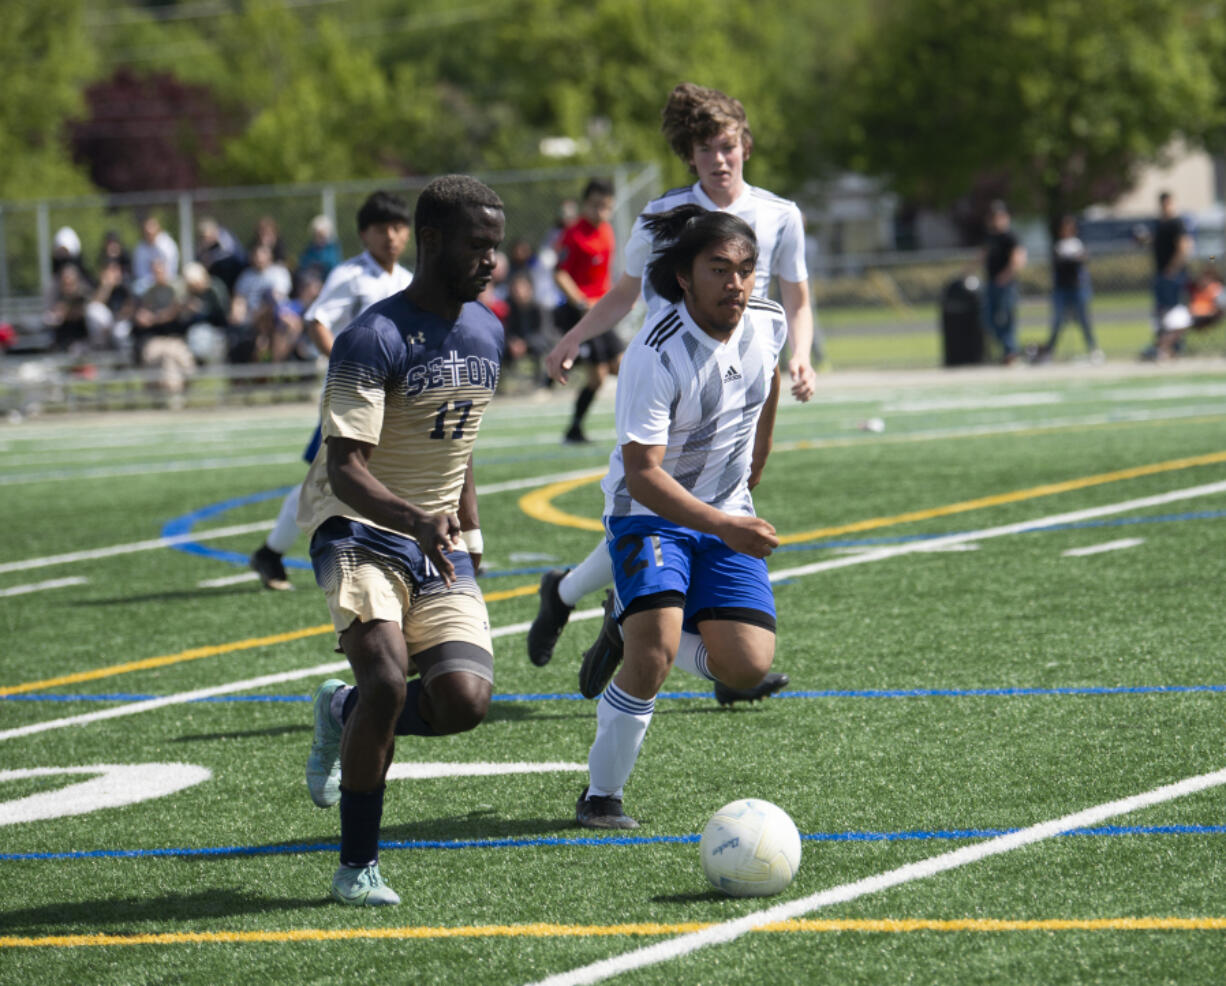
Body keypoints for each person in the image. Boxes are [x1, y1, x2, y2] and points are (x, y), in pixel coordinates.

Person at [529, 83, 815, 705]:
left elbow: (794, 297)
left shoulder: (779, 214)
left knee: (694, 517)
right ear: (690, 155)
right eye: (706, 149)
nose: (720, 159)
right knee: (651, 507)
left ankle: (598, 606)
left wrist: (800, 356)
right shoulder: (663, 216)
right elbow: (627, 292)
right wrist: (575, 335)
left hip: (738, 385)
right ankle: (620, 617)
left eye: (729, 147)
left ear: (745, 147)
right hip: (671, 383)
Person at [296, 174, 506, 906]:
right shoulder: (370, 337)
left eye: (497, 247)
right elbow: (345, 469)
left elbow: (459, 441)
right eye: (478, 246)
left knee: (463, 702)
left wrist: (467, 525)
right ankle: (357, 867)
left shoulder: (489, 331)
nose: (492, 261)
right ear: (433, 241)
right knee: (386, 679)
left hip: (432, 539)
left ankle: (340, 713)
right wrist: (414, 517)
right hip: (355, 526)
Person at [574, 206, 784, 829]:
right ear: (685, 278)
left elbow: (768, 380)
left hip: (726, 513)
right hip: (648, 513)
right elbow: (643, 474)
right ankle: (600, 796)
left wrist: (758, 460)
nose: (736, 284)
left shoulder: (767, 323)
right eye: (719, 269)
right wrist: (722, 525)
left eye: (746, 270)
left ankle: (626, 618)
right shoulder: (654, 354)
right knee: (655, 653)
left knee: (746, 668)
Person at [249, 190, 414, 591]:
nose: (390, 237)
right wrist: (348, 365)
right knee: (327, 479)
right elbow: (317, 321)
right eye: (380, 229)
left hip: (393, 396)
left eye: (397, 228)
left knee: (385, 476)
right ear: (363, 234)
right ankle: (271, 552)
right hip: (351, 394)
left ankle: (278, 553)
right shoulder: (350, 275)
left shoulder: (409, 280)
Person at [554, 179, 619, 443]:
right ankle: (574, 428)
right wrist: (581, 302)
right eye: (595, 206)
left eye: (606, 207)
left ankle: (575, 428)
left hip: (602, 313)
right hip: (581, 314)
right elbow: (559, 274)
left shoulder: (607, 231)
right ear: (585, 204)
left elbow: (603, 277)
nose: (601, 212)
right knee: (599, 376)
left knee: (619, 367)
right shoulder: (573, 234)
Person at [1038, 215, 1100, 363]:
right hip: (1062, 289)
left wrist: (1072, 259)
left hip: (1077, 287)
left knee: (1084, 320)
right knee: (1058, 321)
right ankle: (1050, 350)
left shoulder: (1077, 244)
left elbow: (1082, 260)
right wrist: (1071, 259)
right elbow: (1059, 262)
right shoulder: (1058, 245)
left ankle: (1093, 348)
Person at [982, 200, 1026, 365]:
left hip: (1006, 284)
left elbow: (1018, 259)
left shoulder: (1011, 236)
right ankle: (1009, 349)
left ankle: (1011, 352)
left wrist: (1005, 276)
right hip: (991, 283)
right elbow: (983, 256)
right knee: (988, 319)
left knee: (1007, 317)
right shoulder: (990, 236)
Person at [1151, 190, 1193, 341]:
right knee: (1162, 311)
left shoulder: (1177, 222)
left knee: (1175, 311)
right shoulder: (1159, 223)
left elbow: (1184, 247)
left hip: (1173, 274)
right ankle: (1162, 344)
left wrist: (1173, 268)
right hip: (1161, 272)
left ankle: (1172, 346)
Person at [131, 215, 180, 294]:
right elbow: (140, 272)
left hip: (168, 280)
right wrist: (153, 279)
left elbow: (172, 268)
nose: (150, 235)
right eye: (147, 233)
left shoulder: (168, 245)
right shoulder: (140, 249)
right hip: (148, 283)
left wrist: (162, 278)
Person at [298, 214, 343, 280]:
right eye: (317, 235)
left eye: (322, 235)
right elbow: (303, 266)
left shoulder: (333, 249)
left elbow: (333, 266)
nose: (320, 238)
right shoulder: (309, 251)